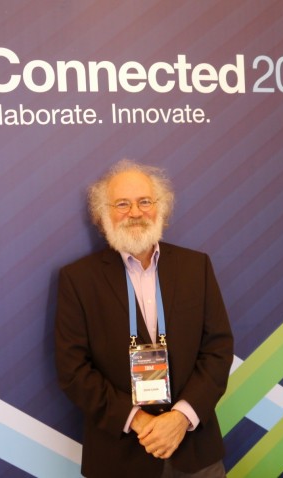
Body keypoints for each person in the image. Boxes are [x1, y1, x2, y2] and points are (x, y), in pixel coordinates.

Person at [54, 159, 234, 478]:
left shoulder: (196, 268)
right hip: (119, 458)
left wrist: (180, 417)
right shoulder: (78, 279)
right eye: (122, 203)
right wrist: (138, 421)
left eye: (145, 202)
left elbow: (218, 351)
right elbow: (74, 370)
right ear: (103, 214)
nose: (135, 212)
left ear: (160, 208)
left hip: (195, 452)